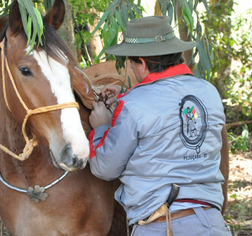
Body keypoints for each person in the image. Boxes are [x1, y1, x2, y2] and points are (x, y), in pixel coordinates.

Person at [88, 16, 231, 236]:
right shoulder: (209, 92)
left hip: (162, 226)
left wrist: (101, 127)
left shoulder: (135, 104)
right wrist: (128, 97)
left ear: (142, 62)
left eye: (132, 63)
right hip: (212, 224)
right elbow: (167, 111)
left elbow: (105, 168)